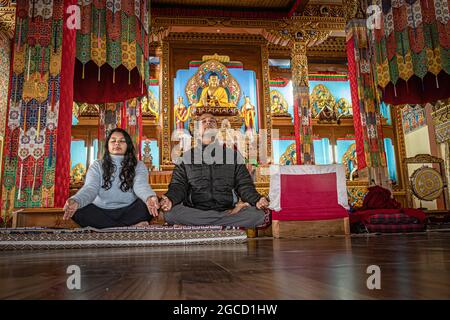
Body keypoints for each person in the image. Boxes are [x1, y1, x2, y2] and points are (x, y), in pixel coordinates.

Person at [160, 113, 269, 228]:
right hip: (196, 211)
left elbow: (245, 185)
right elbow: (178, 186)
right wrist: (170, 199)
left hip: (227, 210)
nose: (208, 123)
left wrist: (257, 199)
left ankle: (200, 226)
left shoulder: (233, 156)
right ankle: (222, 225)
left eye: (212, 121)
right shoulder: (185, 158)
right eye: (203, 121)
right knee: (170, 213)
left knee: (257, 215)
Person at [63, 128, 160, 228]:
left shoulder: (138, 165)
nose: (117, 144)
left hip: (129, 210)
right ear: (107, 145)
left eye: (122, 141)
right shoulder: (97, 165)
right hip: (101, 212)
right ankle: (128, 227)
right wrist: (77, 200)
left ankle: (109, 228)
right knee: (78, 209)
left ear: (128, 145)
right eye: (113, 141)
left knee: (150, 203)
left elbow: (141, 185)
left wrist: (149, 197)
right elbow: (90, 188)